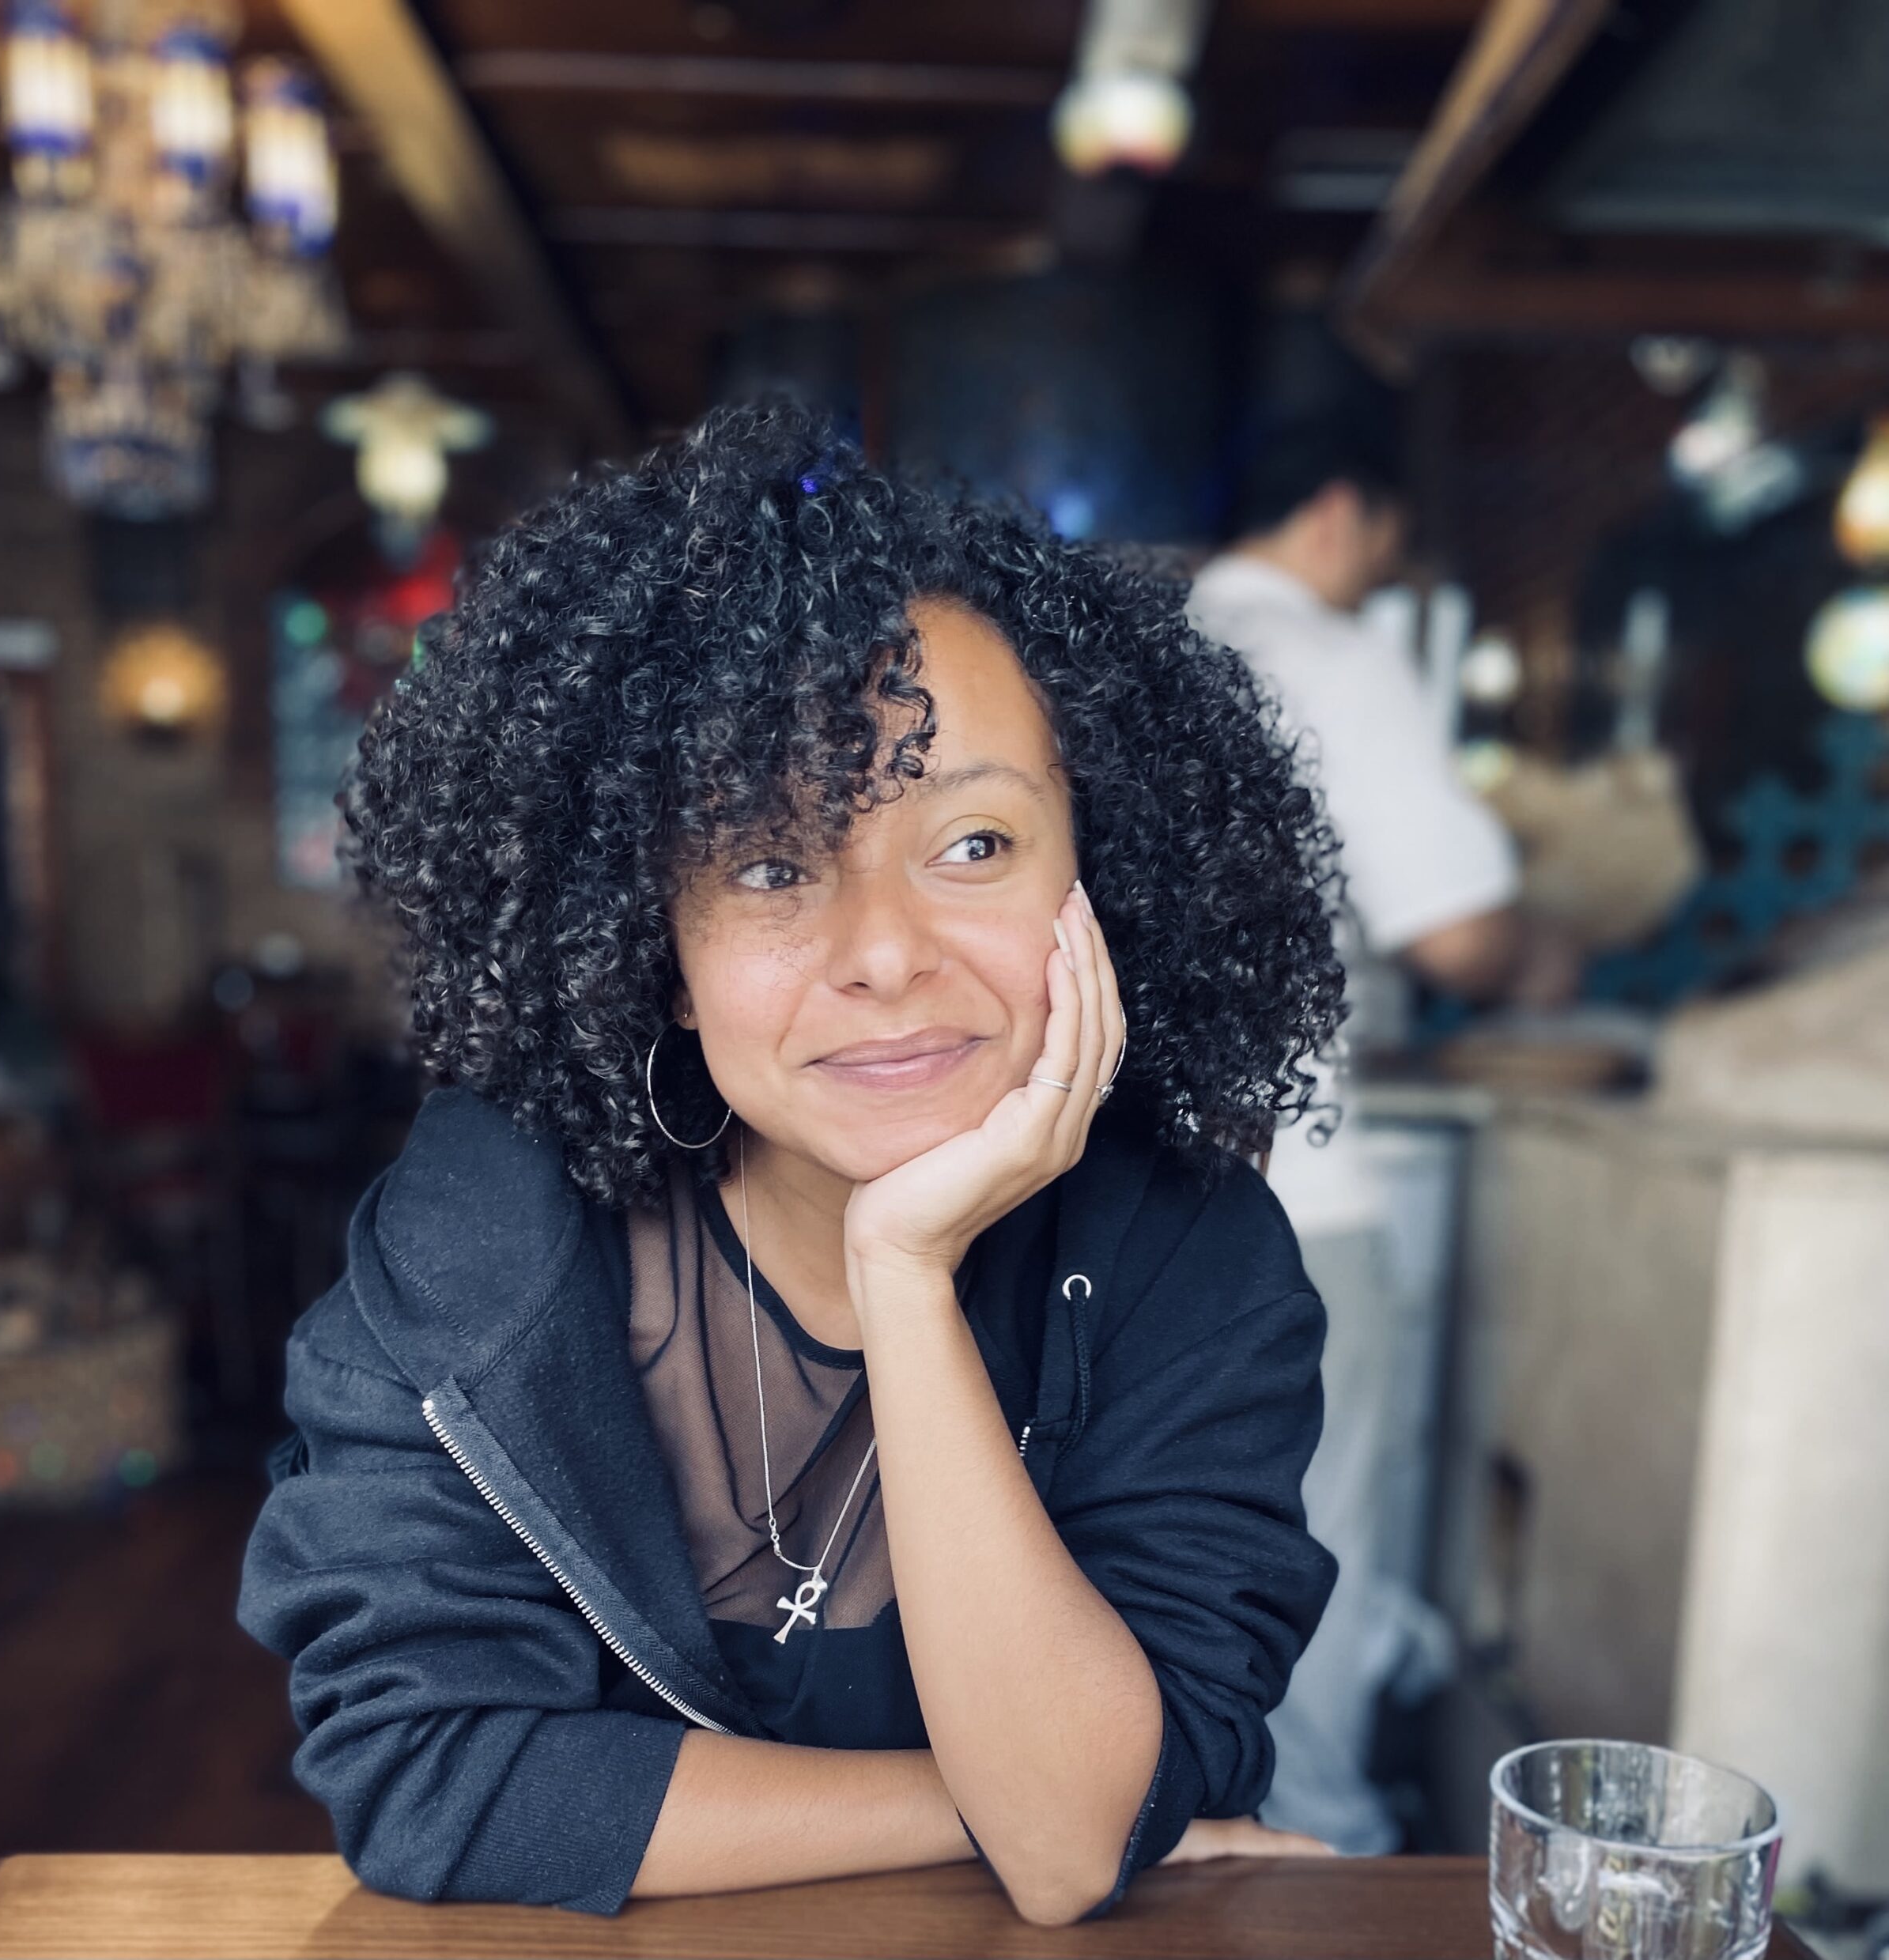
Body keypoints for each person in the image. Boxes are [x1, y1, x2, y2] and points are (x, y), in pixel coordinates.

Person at [238, 402, 1344, 1923]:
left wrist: (906, 1274)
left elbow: (1074, 1854)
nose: (885, 953)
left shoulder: (1188, 1254)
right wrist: (977, 1804)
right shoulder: (489, 1232)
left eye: (973, 847)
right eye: (771, 867)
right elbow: (433, 1784)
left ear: (1104, 873)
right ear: (656, 945)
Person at [1188, 419, 1522, 1852]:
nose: (1382, 577)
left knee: (1151, 1533)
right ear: (1339, 511)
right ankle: (1311, 1856)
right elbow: (1462, 934)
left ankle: (1159, 1828)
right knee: (1303, 1538)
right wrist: (1544, 942)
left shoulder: (1159, 653)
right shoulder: (1332, 658)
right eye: (1387, 548)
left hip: (1122, 1184)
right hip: (1298, 1195)